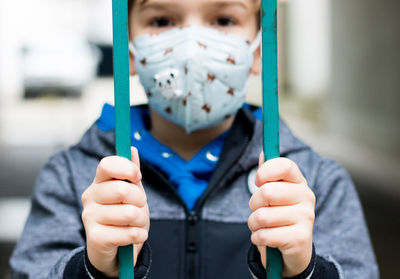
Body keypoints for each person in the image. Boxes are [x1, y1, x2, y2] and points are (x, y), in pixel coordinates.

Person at [10, 0, 379, 278]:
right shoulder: (74, 177)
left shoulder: (313, 182)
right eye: (162, 20)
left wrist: (305, 269)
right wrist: (91, 268)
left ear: (259, 50)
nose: (191, 47)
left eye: (223, 20)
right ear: (129, 49)